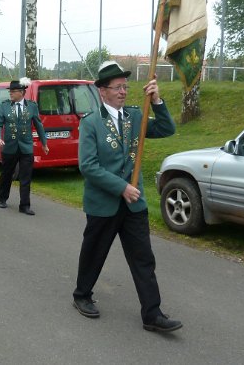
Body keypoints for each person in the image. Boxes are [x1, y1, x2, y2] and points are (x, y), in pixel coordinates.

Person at [72, 61, 181, 333]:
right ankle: (82, 295)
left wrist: (156, 101)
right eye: (117, 87)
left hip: (134, 205)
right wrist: (121, 187)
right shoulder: (91, 123)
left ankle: (152, 313)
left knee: (143, 258)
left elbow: (167, 128)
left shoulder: (135, 117)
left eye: (125, 86)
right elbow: (88, 166)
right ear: (102, 91)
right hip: (104, 204)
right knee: (94, 253)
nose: (123, 92)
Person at [0, 79, 49, 215]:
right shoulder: (4, 106)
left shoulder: (31, 106)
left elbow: (38, 125)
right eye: (10, 91)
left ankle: (24, 205)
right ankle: (2, 198)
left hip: (26, 147)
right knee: (6, 174)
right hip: (9, 147)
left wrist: (44, 143)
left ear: (22, 92)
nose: (10, 93)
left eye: (13, 91)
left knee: (26, 177)